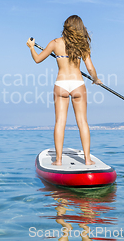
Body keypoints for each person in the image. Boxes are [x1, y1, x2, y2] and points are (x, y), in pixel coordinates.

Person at [26, 15, 102, 166]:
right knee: (82, 122)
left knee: (60, 122)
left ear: (66, 27)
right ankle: (87, 160)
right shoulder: (82, 45)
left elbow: (38, 59)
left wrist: (31, 47)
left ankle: (58, 160)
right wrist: (95, 79)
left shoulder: (55, 43)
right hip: (77, 84)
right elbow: (90, 68)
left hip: (61, 84)